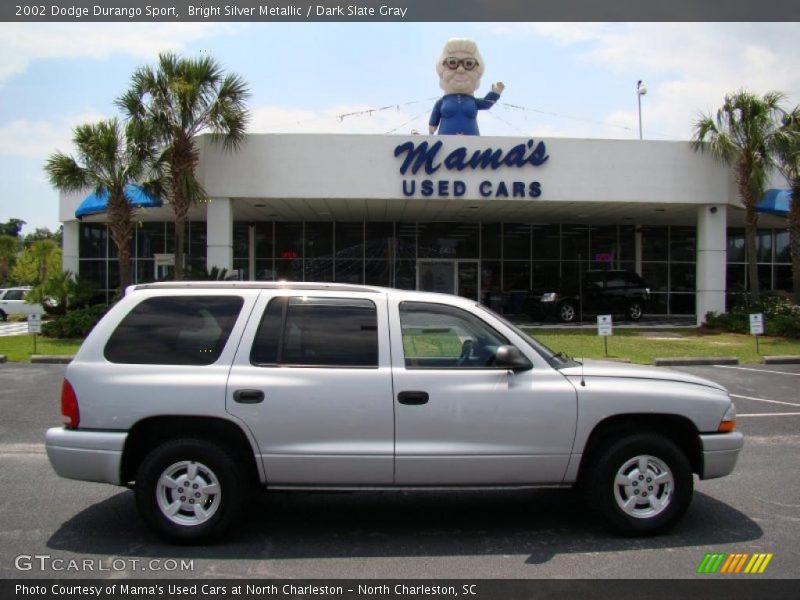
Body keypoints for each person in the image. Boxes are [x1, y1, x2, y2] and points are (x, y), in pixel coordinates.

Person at [428, 39, 505, 136]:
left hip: (472, 145)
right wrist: (431, 128)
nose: (460, 69)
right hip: (445, 145)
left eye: (469, 64)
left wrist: (495, 93)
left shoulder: (472, 101)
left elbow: (486, 104)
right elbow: (433, 121)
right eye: (452, 62)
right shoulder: (441, 102)